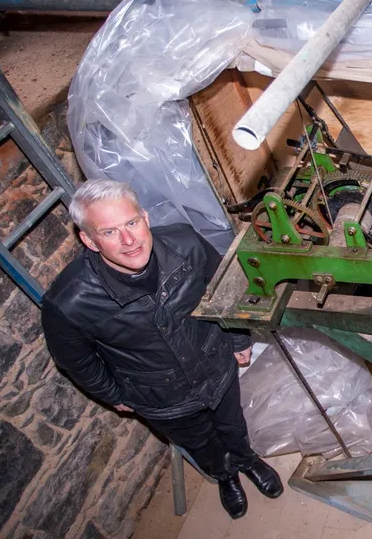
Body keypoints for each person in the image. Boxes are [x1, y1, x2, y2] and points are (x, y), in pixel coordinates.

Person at [41, 180, 282, 519]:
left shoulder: (184, 243)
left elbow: (224, 289)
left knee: (232, 424)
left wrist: (238, 339)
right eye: (109, 232)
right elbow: (76, 362)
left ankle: (247, 460)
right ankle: (225, 475)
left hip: (215, 365)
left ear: (145, 218)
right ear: (89, 240)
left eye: (131, 223)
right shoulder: (69, 303)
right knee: (201, 443)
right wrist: (115, 394)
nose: (129, 241)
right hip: (162, 398)